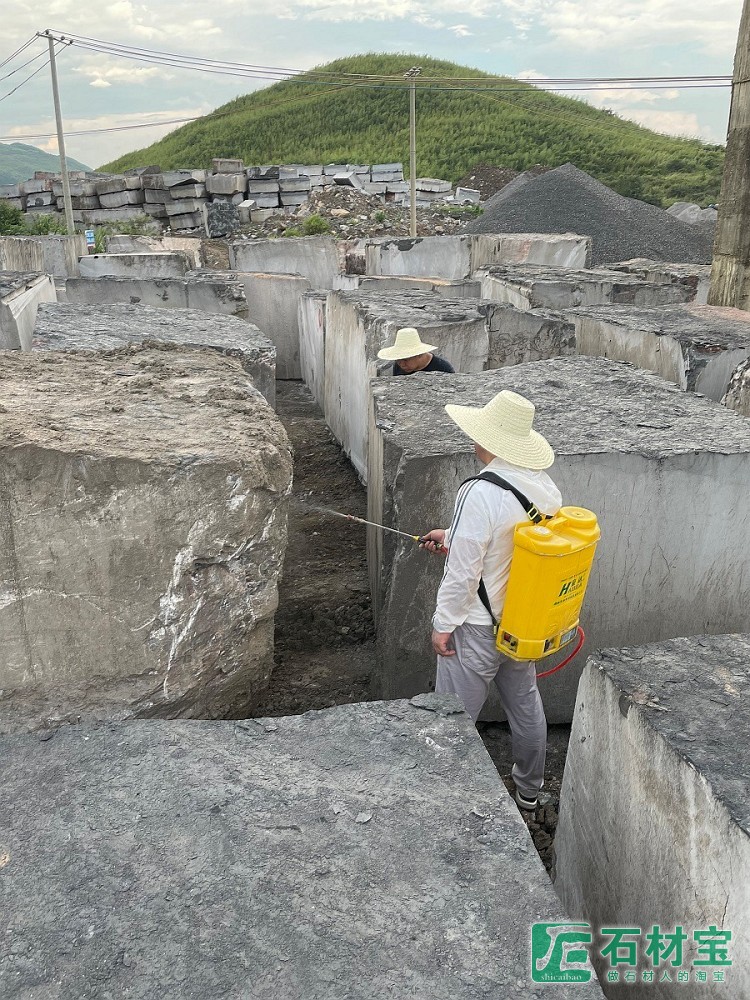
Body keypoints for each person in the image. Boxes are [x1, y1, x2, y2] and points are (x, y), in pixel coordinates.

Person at [420, 390, 561, 811]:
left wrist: (443, 624)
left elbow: (464, 571)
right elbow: (512, 541)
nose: (472, 440)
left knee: (451, 719)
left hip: (476, 627)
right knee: (525, 708)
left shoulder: (479, 491)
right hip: (520, 622)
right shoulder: (542, 486)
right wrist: (454, 534)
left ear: (493, 442)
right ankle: (530, 793)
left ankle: (444, 798)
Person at [377, 327, 455, 376]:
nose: (402, 364)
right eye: (398, 360)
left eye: (405, 360)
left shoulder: (443, 368)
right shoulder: (399, 366)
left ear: (419, 354)